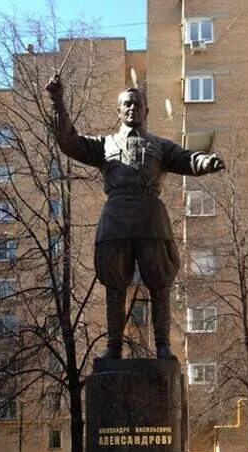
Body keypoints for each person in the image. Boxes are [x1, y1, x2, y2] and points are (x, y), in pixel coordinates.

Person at [45, 76, 225, 359]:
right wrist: (57, 100)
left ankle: (163, 346)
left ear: (146, 111)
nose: (132, 109)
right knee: (115, 285)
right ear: (119, 111)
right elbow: (68, 141)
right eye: (127, 105)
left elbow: (187, 158)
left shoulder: (160, 146)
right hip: (115, 221)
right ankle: (113, 347)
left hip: (151, 220)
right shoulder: (104, 145)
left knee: (159, 284)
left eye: (137, 104)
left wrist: (206, 161)